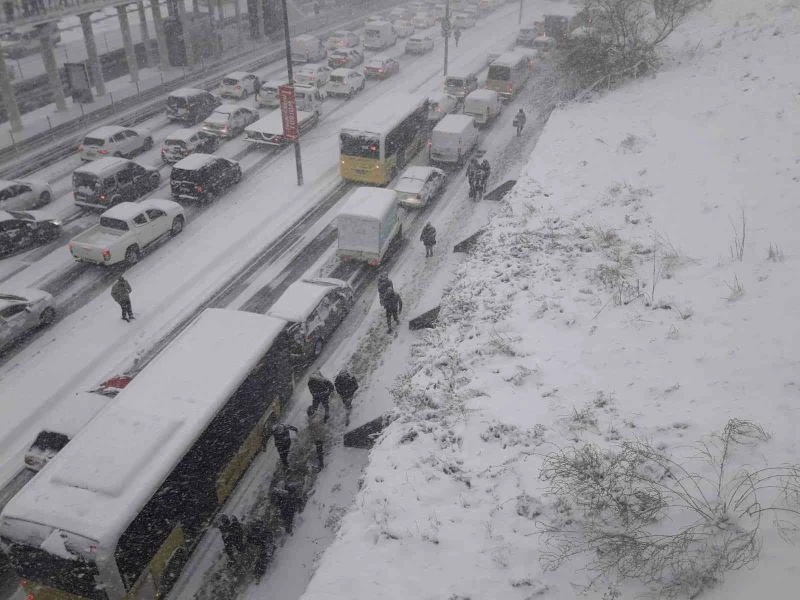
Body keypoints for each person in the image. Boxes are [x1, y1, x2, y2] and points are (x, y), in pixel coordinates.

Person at [246, 516, 275, 582]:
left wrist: (267, 551)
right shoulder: (259, 530)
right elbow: (258, 540)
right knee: (261, 559)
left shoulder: (260, 531)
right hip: (265, 544)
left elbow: (266, 540)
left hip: (267, 545)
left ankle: (259, 573)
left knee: (263, 559)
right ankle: (257, 572)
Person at [307, 404, 327, 470]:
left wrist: (313, 438)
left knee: (319, 450)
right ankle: (320, 460)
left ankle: (321, 464)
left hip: (318, 437)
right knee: (319, 449)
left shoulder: (313, 421)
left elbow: (313, 431)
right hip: (320, 436)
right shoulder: (317, 416)